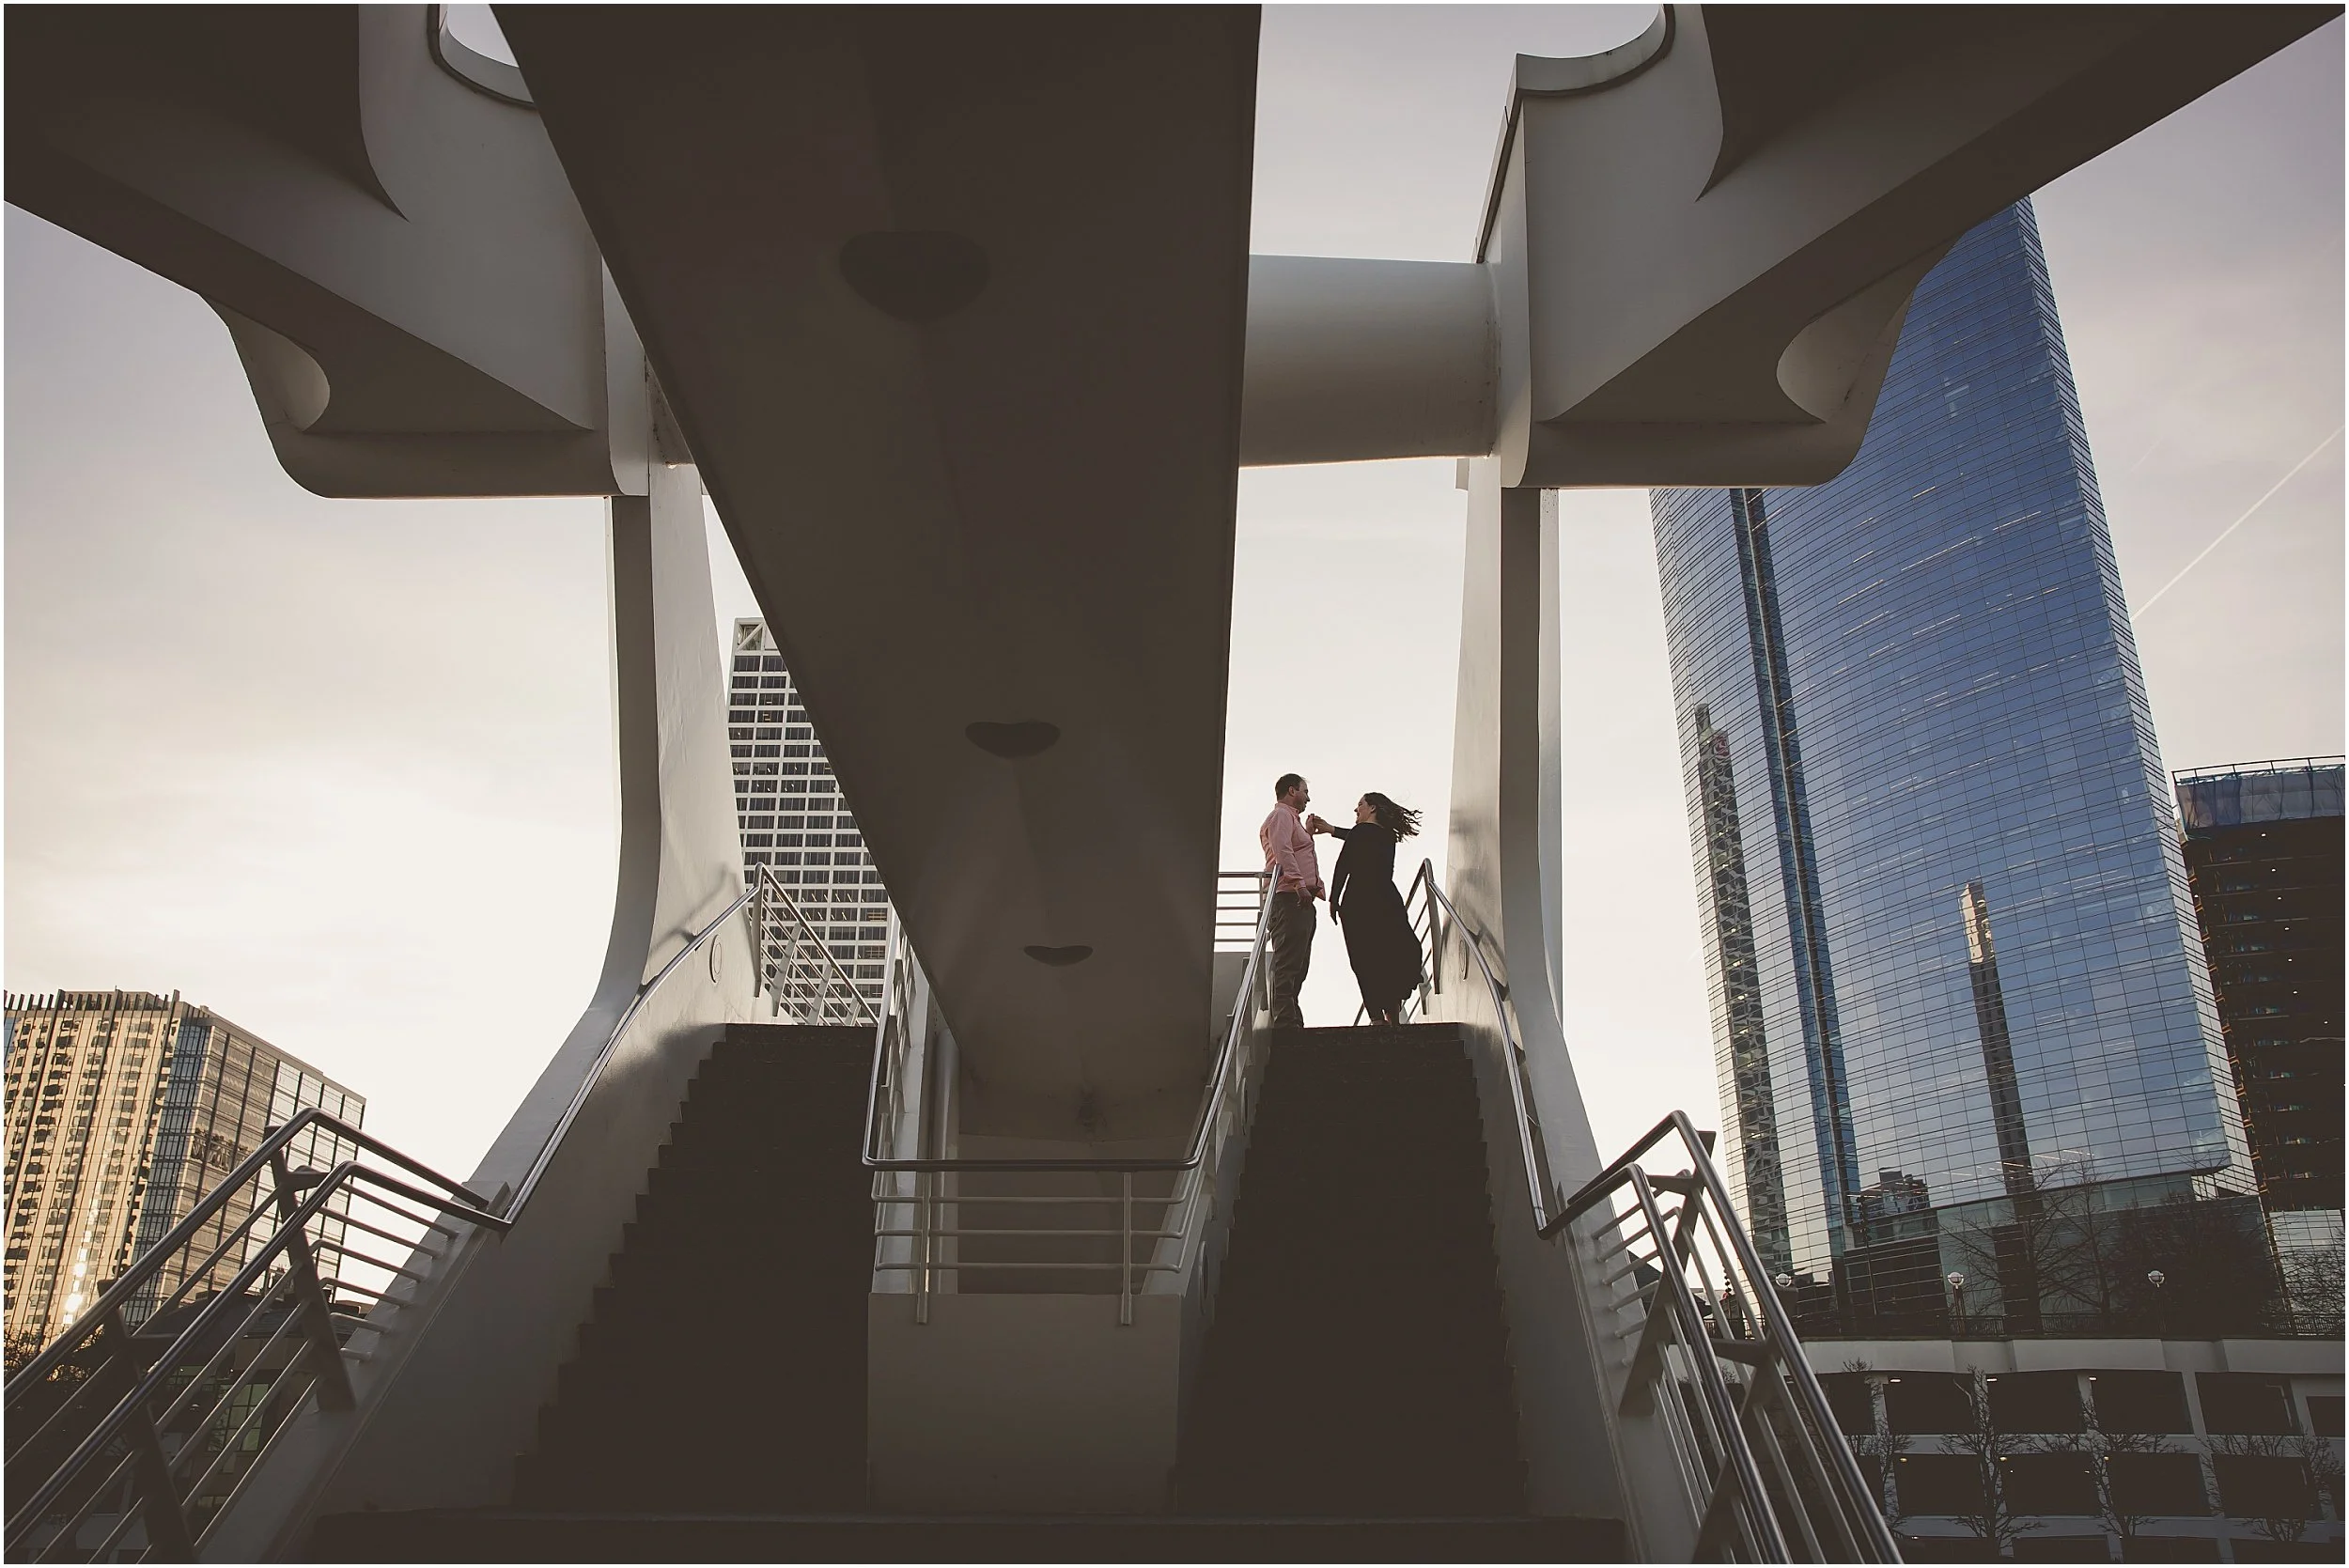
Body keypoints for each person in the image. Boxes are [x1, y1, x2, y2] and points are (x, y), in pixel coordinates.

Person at [1310, 792, 1424, 1026]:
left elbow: (1344, 864)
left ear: (1372, 808)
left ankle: (1376, 1016)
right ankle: (1392, 1010)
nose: (1356, 810)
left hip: (1358, 902)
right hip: (1386, 899)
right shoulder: (1388, 837)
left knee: (1364, 958)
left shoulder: (1361, 834)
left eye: (1360, 805)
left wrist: (1333, 899)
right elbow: (1361, 837)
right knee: (1391, 952)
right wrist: (1332, 829)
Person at [1258, 773, 1324, 1029]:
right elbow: (1282, 848)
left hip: (1300, 898)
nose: (1308, 797)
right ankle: (1285, 1020)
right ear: (1292, 790)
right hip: (1289, 897)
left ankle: (1291, 1016)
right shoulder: (1281, 816)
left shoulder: (1290, 819)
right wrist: (1298, 883)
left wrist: (1307, 833)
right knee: (1289, 961)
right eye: (1305, 791)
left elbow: (1293, 847)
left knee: (1299, 962)